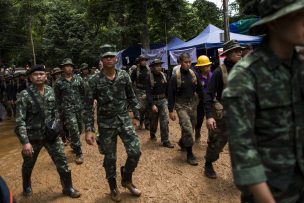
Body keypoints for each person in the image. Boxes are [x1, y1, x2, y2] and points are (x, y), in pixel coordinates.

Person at [223, 1, 304, 202]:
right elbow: (244, 151)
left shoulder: (299, 67)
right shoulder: (246, 76)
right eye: (297, 16)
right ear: (274, 24)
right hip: (272, 193)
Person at [15, 64, 80, 198]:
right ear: (30, 78)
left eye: (41, 74)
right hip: (33, 137)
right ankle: (26, 184)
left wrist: (58, 128)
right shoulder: (25, 95)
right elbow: (20, 121)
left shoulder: (51, 90)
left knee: (62, 160)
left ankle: (68, 187)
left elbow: (55, 111)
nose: (39, 76)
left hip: (51, 135)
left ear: (46, 76)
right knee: (28, 163)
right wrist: (25, 142)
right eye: (35, 74)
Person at [84, 51, 142, 202]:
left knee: (135, 151)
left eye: (111, 57)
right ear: (101, 60)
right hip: (105, 124)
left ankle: (127, 178)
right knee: (110, 158)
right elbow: (88, 106)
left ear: (116, 59)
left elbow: (131, 96)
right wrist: (89, 129)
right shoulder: (94, 80)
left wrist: (136, 115)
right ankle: (113, 187)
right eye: (105, 57)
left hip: (123, 119)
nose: (109, 59)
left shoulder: (124, 76)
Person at [203, 40, 243, 179]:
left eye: (240, 50)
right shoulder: (219, 72)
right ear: (227, 54)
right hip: (224, 114)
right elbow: (208, 95)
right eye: (235, 50)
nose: (239, 52)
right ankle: (208, 163)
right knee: (216, 144)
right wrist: (209, 116)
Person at [168, 52, 205, 166]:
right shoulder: (175, 77)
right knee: (188, 128)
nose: (188, 64)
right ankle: (190, 154)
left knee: (191, 128)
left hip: (193, 104)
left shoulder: (194, 74)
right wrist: (171, 110)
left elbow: (199, 89)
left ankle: (183, 142)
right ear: (180, 63)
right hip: (181, 105)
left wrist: (206, 102)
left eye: (189, 62)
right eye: (185, 62)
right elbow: (171, 94)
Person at [54, 58, 86, 164]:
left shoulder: (79, 79)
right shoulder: (58, 82)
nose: (68, 68)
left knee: (80, 129)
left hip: (79, 108)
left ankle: (73, 143)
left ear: (72, 68)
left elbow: (83, 92)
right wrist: (59, 111)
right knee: (73, 129)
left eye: (70, 66)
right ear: (63, 68)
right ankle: (79, 153)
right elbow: (57, 98)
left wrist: (84, 104)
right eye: (66, 66)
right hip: (67, 110)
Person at [146, 59, 174, 148]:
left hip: (163, 101)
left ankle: (165, 140)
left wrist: (170, 103)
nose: (158, 67)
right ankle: (152, 132)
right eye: (156, 66)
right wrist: (152, 104)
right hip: (153, 101)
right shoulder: (149, 77)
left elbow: (168, 90)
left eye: (159, 66)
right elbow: (148, 93)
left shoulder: (164, 76)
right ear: (152, 68)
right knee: (153, 121)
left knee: (165, 121)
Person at [193, 55, 212, 143]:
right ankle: (197, 133)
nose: (208, 68)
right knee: (199, 120)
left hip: (210, 101)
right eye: (205, 66)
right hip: (199, 102)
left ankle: (211, 138)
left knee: (211, 119)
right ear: (200, 67)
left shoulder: (212, 75)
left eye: (209, 65)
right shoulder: (195, 76)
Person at [131, 54, 150, 130]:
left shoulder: (149, 69)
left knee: (148, 108)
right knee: (141, 108)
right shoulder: (136, 70)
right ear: (139, 61)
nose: (144, 62)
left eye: (145, 60)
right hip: (139, 91)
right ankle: (141, 122)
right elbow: (131, 81)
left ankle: (147, 124)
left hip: (147, 91)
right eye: (142, 60)